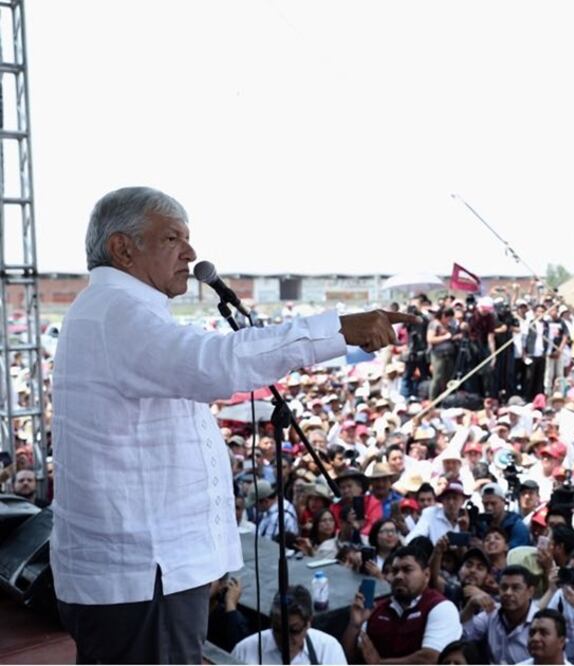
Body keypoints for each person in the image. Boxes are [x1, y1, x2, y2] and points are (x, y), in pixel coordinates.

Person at [51, 187, 412, 663]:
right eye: (173, 238)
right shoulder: (116, 312)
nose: (191, 253)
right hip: (141, 574)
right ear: (123, 248)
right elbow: (215, 364)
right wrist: (338, 331)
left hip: (156, 570)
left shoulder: (123, 311)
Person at [344, 542, 461, 664]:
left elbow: (430, 659)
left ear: (426, 575)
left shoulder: (441, 607)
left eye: (407, 570)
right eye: (395, 571)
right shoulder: (376, 609)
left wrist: (380, 663)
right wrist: (354, 626)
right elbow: (348, 659)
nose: (398, 576)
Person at [230, 585, 347, 665]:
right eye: (278, 630)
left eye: (294, 630)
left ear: (308, 623)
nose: (285, 639)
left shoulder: (328, 649)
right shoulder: (244, 651)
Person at [462, 564, 539, 664]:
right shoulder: (491, 612)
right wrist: (470, 606)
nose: (508, 593)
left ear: (530, 592)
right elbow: (464, 635)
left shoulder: (540, 621)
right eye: (504, 587)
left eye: (515, 588)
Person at [407, 479, 468, 545]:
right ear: (442, 500)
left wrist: (463, 530)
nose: (451, 502)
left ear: (463, 501)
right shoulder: (430, 514)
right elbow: (412, 540)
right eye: (448, 498)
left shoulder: (465, 520)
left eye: (455, 498)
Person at [480, 482, 532, 548]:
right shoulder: (482, 524)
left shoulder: (516, 525)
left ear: (503, 502)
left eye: (493, 503)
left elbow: (517, 552)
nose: (489, 508)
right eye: (485, 504)